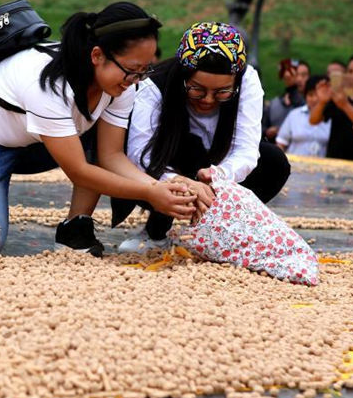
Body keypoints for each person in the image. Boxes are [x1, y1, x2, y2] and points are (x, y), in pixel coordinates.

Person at [0, 1, 196, 257]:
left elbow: (110, 155)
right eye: (133, 69)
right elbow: (79, 170)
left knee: (96, 139)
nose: (136, 80)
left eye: (145, 70)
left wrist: (158, 186)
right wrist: (149, 194)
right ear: (97, 55)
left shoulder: (121, 85)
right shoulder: (50, 85)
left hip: (33, 142)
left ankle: (75, 230)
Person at [116, 22, 290, 253]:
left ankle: (220, 230)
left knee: (273, 161)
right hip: (168, 162)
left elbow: (246, 149)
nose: (208, 100)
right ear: (183, 77)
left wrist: (217, 176)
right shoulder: (154, 86)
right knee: (183, 150)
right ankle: (156, 231)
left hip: (216, 164)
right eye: (197, 89)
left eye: (222, 92)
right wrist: (182, 183)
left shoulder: (247, 80)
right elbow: (140, 154)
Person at [276, 75, 332, 157]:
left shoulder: (333, 117)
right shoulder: (294, 115)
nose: (314, 99)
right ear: (305, 96)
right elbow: (281, 143)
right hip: (294, 167)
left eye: (318, 95)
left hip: (325, 168)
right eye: (310, 95)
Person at [262, 58, 307, 142]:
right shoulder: (274, 103)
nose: (299, 79)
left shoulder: (310, 105)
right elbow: (262, 127)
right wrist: (267, 132)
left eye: (303, 75)